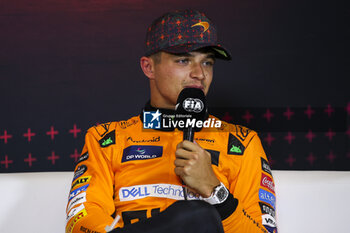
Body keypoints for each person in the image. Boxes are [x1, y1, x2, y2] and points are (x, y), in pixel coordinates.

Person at [65, 9, 277, 233]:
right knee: (196, 215)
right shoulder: (107, 139)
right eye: (184, 60)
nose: (199, 74)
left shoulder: (241, 142)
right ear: (149, 67)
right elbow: (80, 220)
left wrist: (214, 190)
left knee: (200, 215)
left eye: (208, 63)